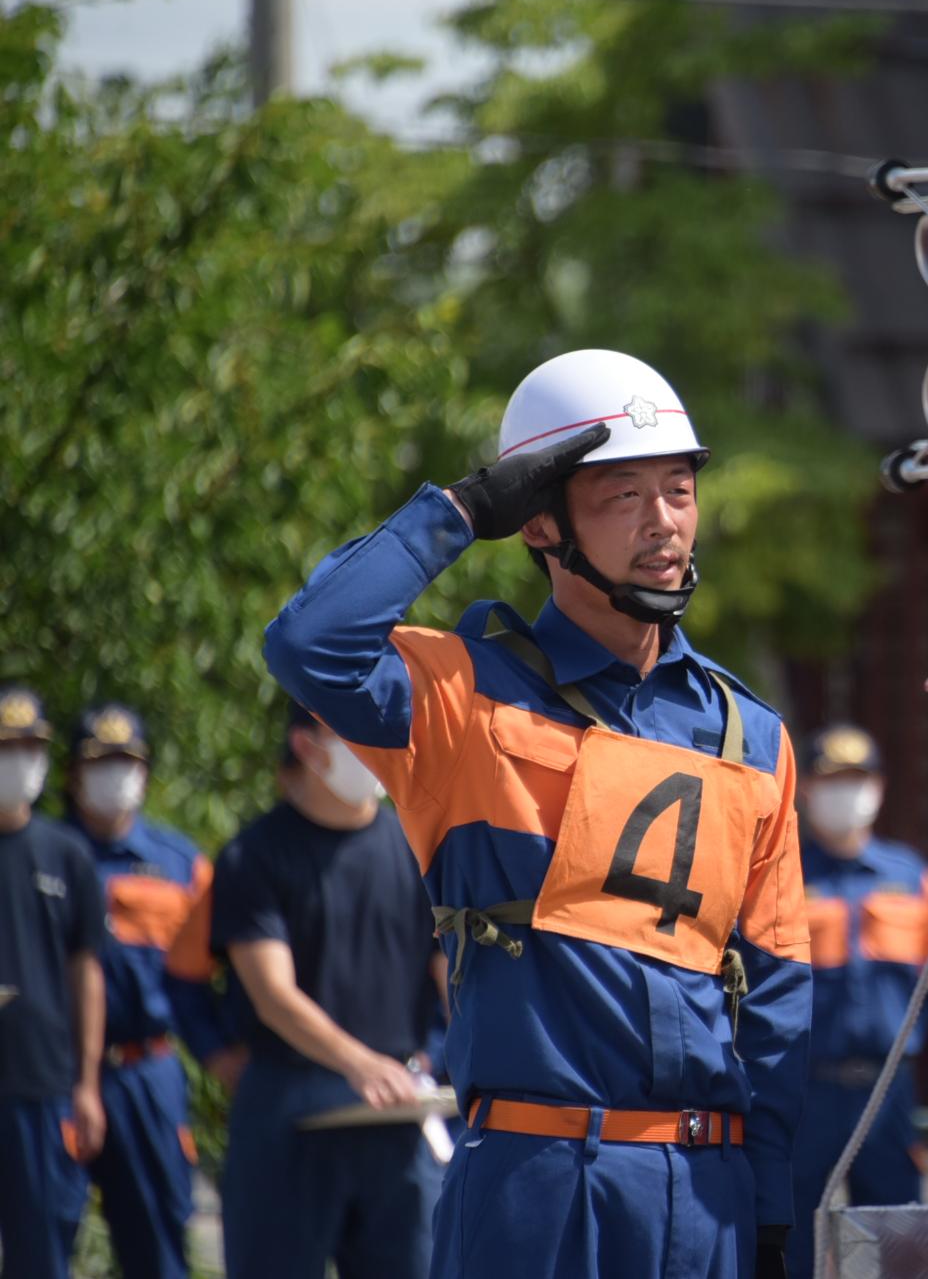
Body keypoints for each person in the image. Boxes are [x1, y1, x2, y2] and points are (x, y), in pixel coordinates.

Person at [264, 348, 811, 1279]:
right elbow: (309, 645)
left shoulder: (751, 735)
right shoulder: (462, 691)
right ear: (543, 524)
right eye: (622, 496)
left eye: (679, 489)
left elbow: (776, 1004)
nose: (664, 523)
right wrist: (462, 511)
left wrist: (767, 1216)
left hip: (709, 1194)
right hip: (537, 1182)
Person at [208, 701, 447, 1279]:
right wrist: (360, 1065)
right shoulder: (254, 855)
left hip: (400, 1106)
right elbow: (273, 996)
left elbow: (452, 975)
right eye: (358, 732)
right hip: (291, 1105)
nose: (380, 748)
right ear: (308, 749)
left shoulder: (420, 849)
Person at [788, 723, 928, 1277]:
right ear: (807, 791)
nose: (845, 793)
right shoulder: (780, 876)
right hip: (802, 1093)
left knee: (896, 1242)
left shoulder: (914, 878)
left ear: (878, 787)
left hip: (887, 1093)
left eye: (856, 779)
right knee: (790, 1241)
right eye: (832, 781)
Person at [62, 702, 232, 1279]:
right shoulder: (45, 856)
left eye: (126, 761)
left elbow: (220, 973)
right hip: (52, 1074)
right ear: (74, 774)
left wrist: (223, 1055)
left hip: (147, 1070)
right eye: (100, 761)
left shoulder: (181, 863)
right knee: (40, 1237)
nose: (115, 774)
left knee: (159, 1243)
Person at [0, 685, 106, 1279]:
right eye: (7, 746)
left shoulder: (66, 854)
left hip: (40, 1084)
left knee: (40, 1254)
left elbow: (85, 970)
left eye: (31, 746)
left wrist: (87, 1083)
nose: (20, 760)